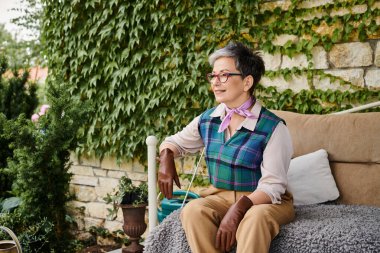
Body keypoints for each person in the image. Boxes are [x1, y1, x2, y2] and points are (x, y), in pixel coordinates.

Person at [158, 41, 295, 253]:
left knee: (255, 219)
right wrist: (166, 156)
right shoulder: (208, 119)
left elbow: (273, 186)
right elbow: (175, 142)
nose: (215, 82)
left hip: (264, 201)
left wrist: (239, 209)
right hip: (220, 197)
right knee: (193, 210)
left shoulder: (274, 128)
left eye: (224, 75)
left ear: (247, 82)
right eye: (213, 76)